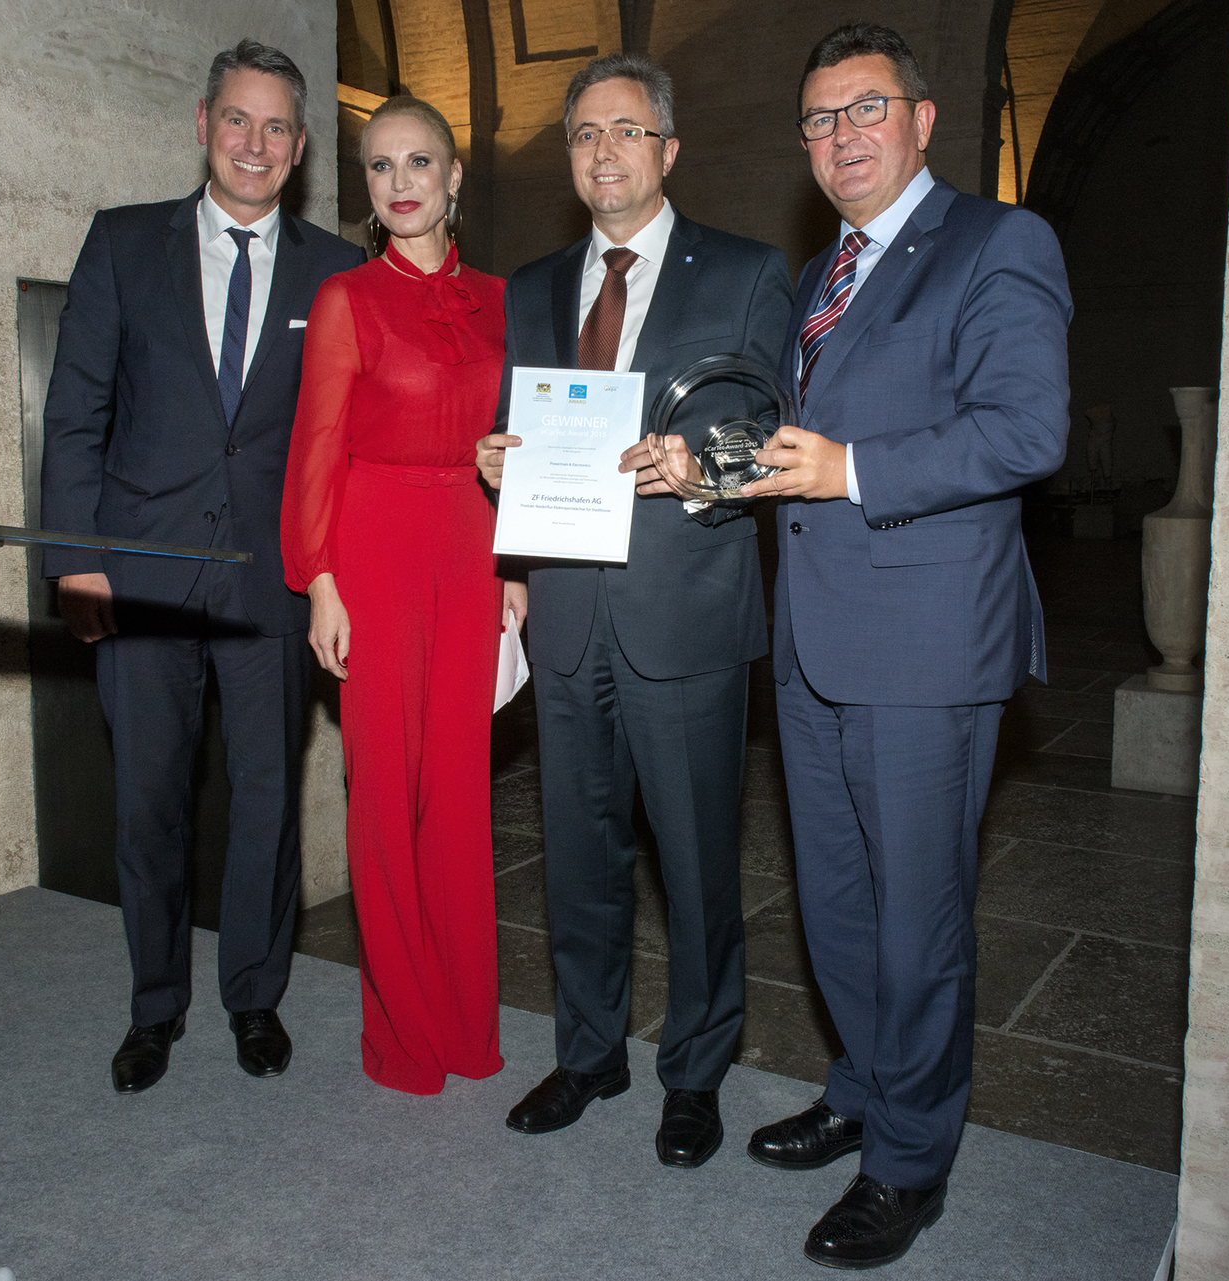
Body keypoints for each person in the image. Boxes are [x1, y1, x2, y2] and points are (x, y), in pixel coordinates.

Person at [735, 23, 1071, 1269]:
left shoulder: (997, 244)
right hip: (817, 637)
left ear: (921, 121)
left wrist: (851, 469)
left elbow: (1027, 429)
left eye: (865, 109)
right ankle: (864, 1089)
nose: (840, 138)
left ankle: (910, 1161)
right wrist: (700, 470)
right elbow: (796, 450)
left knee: (917, 913)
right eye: (820, 120)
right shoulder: (824, 275)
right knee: (834, 897)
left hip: (929, 643)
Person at [475, 53, 793, 1168]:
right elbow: (516, 436)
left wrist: (698, 458)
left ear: (666, 148)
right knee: (578, 854)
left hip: (686, 613)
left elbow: (773, 432)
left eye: (623, 131)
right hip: (567, 615)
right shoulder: (531, 287)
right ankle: (589, 1052)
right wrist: (491, 461)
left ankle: (697, 1074)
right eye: (582, 136)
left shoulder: (749, 273)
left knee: (699, 862)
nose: (602, 152)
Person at [41, 39, 366, 1095]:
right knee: (149, 801)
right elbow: (76, 414)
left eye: (277, 126)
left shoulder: (336, 271)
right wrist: (75, 561)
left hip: (272, 584)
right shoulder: (123, 244)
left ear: (302, 144)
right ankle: (154, 1006)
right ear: (202, 124)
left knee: (267, 801)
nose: (256, 143)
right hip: (137, 578)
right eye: (239, 120)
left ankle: (254, 997)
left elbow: (349, 440)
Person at [280, 95, 517, 1095]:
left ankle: (466, 1021)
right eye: (382, 166)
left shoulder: (509, 298)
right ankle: (404, 1030)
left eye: (422, 161)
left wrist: (519, 568)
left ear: (456, 175)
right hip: (373, 549)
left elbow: (531, 445)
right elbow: (316, 450)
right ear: (366, 188)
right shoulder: (346, 298)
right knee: (384, 795)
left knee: (459, 797)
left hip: (472, 547)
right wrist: (319, 583)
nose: (404, 180)